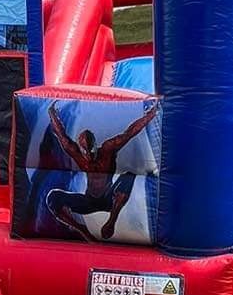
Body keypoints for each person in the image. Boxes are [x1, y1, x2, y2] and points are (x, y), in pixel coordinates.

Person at [44, 99, 160, 241]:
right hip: (89, 201)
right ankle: (82, 230)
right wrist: (52, 113)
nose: (89, 156)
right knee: (53, 197)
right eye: (85, 153)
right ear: (81, 150)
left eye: (91, 152)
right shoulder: (77, 154)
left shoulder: (107, 149)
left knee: (128, 175)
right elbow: (61, 135)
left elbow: (130, 133)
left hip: (109, 199)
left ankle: (112, 220)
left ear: (95, 147)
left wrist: (151, 115)